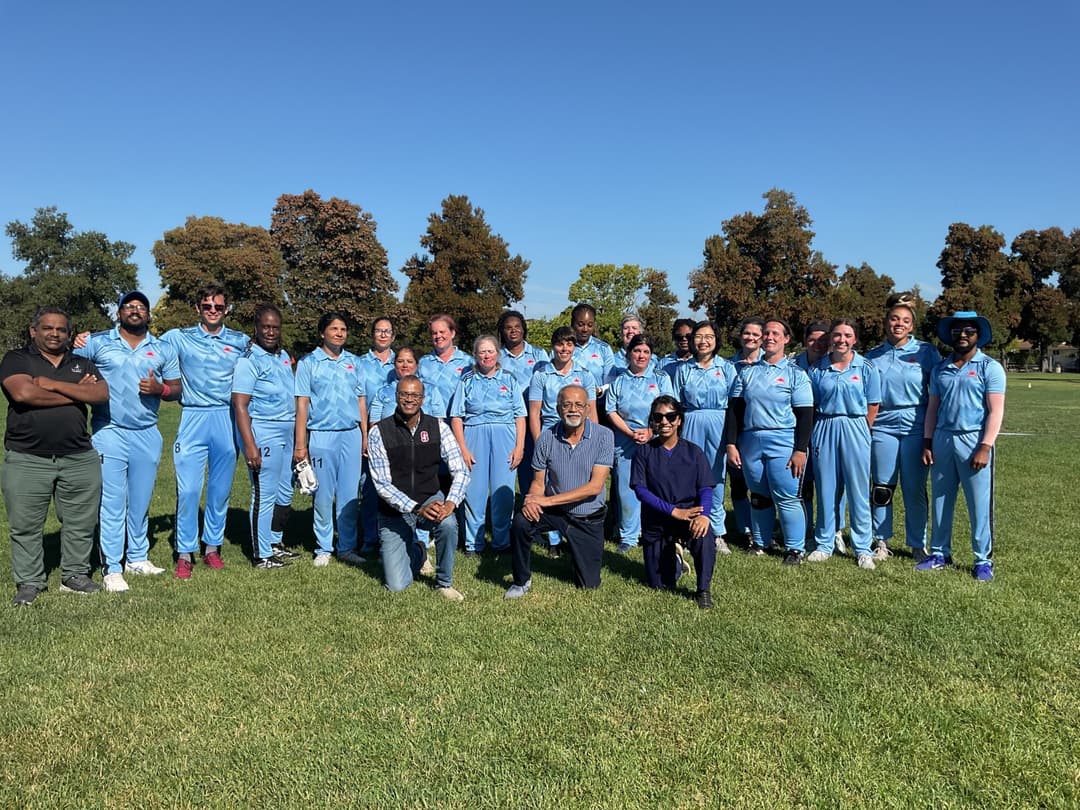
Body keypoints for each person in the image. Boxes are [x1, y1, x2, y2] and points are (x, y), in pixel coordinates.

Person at [74, 291, 182, 593]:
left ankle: (137, 556)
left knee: (140, 501)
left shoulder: (162, 347)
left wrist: (159, 389)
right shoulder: (97, 342)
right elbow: (69, 368)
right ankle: (112, 567)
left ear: (148, 315)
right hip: (110, 430)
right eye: (129, 306)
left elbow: (176, 390)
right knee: (112, 502)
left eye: (141, 307)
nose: (135, 311)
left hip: (147, 432)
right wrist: (80, 375)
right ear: (119, 312)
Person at [1, 308, 109, 604]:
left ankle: (75, 575)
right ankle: (30, 581)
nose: (54, 334)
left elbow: (100, 394)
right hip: (27, 457)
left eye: (61, 329)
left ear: (68, 334)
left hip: (78, 456)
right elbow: (23, 394)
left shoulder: (81, 362)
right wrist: (76, 392)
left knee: (81, 522)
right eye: (47, 328)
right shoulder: (17, 359)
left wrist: (51, 384)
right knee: (26, 525)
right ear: (32, 331)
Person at [158, 284, 250, 579]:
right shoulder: (178, 337)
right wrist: (87, 338)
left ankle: (212, 548)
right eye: (207, 306)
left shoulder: (240, 340)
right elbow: (144, 345)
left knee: (220, 490)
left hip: (226, 418)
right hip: (194, 416)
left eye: (218, 307)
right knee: (188, 490)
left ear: (227, 310)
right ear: (198, 308)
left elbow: (266, 359)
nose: (213, 311)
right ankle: (184, 552)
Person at [917, 311, 1005, 582]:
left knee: (979, 503)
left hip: (974, 439)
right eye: (958, 331)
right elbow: (933, 408)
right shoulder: (940, 369)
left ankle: (982, 560)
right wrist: (928, 441)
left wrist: (985, 446)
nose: (963, 335)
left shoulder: (989, 367)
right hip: (943, 439)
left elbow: (996, 411)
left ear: (978, 335)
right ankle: (940, 553)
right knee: (942, 500)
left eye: (969, 331)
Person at [505, 385, 614, 598]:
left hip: (587, 517)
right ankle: (521, 580)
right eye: (567, 404)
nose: (573, 409)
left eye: (578, 405)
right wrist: (533, 501)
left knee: (589, 584)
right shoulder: (546, 438)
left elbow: (595, 487)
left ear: (588, 409)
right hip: (555, 513)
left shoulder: (604, 436)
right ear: (557, 409)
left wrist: (546, 501)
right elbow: (538, 482)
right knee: (521, 522)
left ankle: (577, 554)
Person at [367, 375, 468, 600]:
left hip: (429, 498)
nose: (409, 399)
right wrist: (415, 508)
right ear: (396, 397)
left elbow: (460, 469)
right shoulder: (379, 432)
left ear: (423, 399)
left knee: (448, 523)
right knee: (397, 585)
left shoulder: (438, 427)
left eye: (415, 395)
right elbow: (382, 484)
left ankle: (444, 582)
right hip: (393, 512)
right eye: (404, 394)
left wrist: (450, 503)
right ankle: (418, 551)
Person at [725, 319, 813, 564]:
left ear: (786, 339)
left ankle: (795, 548)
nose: (770, 337)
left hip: (782, 439)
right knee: (759, 494)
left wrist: (800, 449)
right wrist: (731, 443)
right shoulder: (747, 372)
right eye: (766, 333)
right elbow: (735, 410)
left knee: (786, 495)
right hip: (751, 440)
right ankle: (761, 542)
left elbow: (805, 415)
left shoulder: (796, 374)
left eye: (776, 333)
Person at [865, 292, 940, 562]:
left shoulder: (926, 352)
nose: (899, 324)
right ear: (886, 322)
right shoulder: (872, 357)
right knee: (882, 487)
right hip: (883, 426)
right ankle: (881, 541)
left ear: (912, 325)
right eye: (894, 319)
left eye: (905, 320)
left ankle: (918, 543)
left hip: (916, 425)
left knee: (914, 487)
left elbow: (939, 391)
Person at [806, 319, 881, 570]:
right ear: (830, 339)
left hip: (855, 426)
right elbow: (812, 403)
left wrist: (862, 429)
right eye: (837, 335)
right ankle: (824, 543)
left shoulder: (866, 368)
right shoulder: (817, 370)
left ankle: (862, 548)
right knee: (826, 488)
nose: (842, 340)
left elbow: (873, 404)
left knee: (858, 490)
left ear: (855, 339)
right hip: (825, 425)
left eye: (847, 335)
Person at [294, 312, 366, 567]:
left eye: (343, 329)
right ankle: (323, 547)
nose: (339, 333)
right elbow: (302, 404)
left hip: (351, 435)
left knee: (348, 495)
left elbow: (361, 401)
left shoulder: (355, 362)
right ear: (322, 332)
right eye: (334, 328)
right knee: (323, 494)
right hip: (322, 436)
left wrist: (365, 437)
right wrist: (300, 445)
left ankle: (346, 547)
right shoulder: (309, 363)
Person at [631, 396, 717, 608]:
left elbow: (706, 487)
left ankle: (703, 589)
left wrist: (704, 514)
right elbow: (640, 490)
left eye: (670, 416)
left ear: (679, 420)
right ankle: (676, 560)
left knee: (705, 537)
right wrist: (673, 511)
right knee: (659, 584)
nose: (665, 422)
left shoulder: (694, 452)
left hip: (690, 514)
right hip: (657, 518)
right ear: (653, 420)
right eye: (658, 417)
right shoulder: (644, 452)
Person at [231, 305, 298, 569]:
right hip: (264, 431)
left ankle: (274, 542)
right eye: (266, 327)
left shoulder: (282, 356)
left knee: (285, 490)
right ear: (256, 328)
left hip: (287, 429)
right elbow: (240, 405)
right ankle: (261, 554)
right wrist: (250, 446)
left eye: (275, 327)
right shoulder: (249, 360)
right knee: (264, 493)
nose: (270, 332)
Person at [449, 335, 526, 555]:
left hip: (505, 435)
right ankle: (474, 543)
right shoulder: (467, 381)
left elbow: (520, 415)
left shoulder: (509, 380)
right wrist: (462, 448)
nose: (486, 356)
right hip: (474, 434)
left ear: (497, 354)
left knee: (503, 491)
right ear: (475, 355)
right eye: (482, 352)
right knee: (475, 491)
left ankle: (502, 541)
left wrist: (519, 446)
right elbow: (456, 416)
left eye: (490, 351)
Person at [527, 327, 599, 555]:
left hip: (579, 434)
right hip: (550, 433)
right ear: (553, 346)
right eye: (560, 344)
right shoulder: (541, 375)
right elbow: (534, 412)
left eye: (569, 344)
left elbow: (592, 411)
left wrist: (595, 439)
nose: (564, 349)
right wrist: (540, 443)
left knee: (574, 483)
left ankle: (576, 533)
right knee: (549, 486)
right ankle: (554, 539)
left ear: (574, 347)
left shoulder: (586, 375)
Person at [671, 320, 737, 554]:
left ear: (716, 340)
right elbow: (675, 404)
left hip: (719, 424)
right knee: (689, 476)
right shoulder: (683, 370)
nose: (703, 341)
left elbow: (734, 406)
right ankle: (687, 531)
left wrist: (731, 439)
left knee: (716, 477)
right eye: (698, 336)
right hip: (691, 422)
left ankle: (716, 531)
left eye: (709, 336)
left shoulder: (727, 369)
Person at [605, 334, 673, 554]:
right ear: (628, 353)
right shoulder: (619, 380)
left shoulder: (661, 378)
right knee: (627, 490)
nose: (641, 355)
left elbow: (669, 409)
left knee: (657, 487)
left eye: (645, 351)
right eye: (637, 351)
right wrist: (630, 432)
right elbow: (610, 410)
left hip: (656, 439)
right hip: (626, 440)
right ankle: (629, 536)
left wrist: (651, 431)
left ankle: (656, 531)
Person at [356, 316, 397, 554]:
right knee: (370, 487)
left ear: (393, 336)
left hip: (398, 436)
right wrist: (365, 435)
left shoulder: (401, 361)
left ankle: (393, 536)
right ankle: (370, 537)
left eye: (387, 331)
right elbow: (359, 401)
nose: (383, 335)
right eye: (379, 331)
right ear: (372, 334)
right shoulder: (360, 364)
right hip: (370, 432)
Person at [496, 309, 548, 494]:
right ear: (502, 331)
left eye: (517, 327)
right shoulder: (497, 357)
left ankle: (533, 509)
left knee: (533, 467)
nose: (513, 331)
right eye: (508, 328)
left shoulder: (539, 354)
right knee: (508, 466)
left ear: (524, 329)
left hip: (533, 418)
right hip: (507, 422)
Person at [727, 317, 766, 547]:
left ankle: (764, 528)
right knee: (739, 483)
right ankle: (745, 529)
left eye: (755, 335)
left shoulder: (768, 364)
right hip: (734, 431)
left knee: (760, 484)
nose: (750, 338)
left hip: (758, 432)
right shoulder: (729, 365)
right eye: (747, 334)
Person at [368, 346, 447, 422]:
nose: (405, 365)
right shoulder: (382, 392)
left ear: (417, 365)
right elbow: (375, 424)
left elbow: (439, 422)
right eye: (400, 361)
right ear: (394, 365)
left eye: (409, 361)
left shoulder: (431, 390)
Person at [417, 313, 471, 409]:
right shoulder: (423, 363)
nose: (438, 336)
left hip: (459, 421)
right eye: (434, 333)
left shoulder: (468, 362)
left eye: (442, 332)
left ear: (452, 333)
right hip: (431, 420)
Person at [570, 303, 614, 390]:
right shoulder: (562, 349)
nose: (585, 329)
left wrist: (600, 390)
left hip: (597, 402)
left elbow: (610, 382)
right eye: (580, 324)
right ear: (572, 323)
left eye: (590, 325)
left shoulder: (604, 349)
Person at [608, 314, 658, 382]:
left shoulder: (654, 360)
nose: (630, 331)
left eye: (634, 328)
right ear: (621, 332)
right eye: (626, 328)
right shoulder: (612, 360)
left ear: (640, 332)